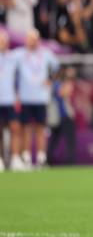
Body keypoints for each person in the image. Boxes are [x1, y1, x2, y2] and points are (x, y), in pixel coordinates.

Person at [14, 29, 59, 168]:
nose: (31, 42)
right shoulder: (19, 54)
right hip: (26, 97)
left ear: (38, 40)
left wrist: (51, 80)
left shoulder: (45, 54)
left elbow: (57, 66)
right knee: (26, 128)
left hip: (41, 97)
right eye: (29, 39)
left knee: (41, 128)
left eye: (34, 39)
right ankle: (26, 156)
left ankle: (41, 157)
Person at [0, 31, 27, 171]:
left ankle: (15, 158)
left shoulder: (13, 57)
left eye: (4, 41)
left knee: (15, 129)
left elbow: (29, 47)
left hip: (10, 99)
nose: (2, 44)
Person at [47, 67, 77, 165]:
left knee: (65, 139)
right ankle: (49, 160)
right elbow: (63, 93)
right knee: (58, 139)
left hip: (63, 116)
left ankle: (69, 160)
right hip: (60, 116)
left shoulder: (56, 84)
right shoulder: (56, 85)